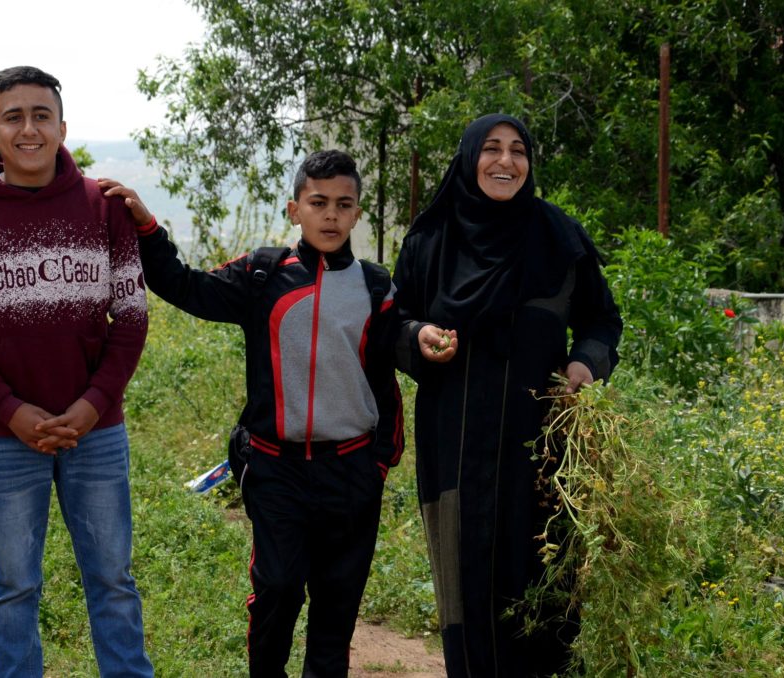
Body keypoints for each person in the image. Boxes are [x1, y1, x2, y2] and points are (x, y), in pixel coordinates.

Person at [101, 149, 404, 677]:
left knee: (336, 609)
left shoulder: (376, 288)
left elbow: (385, 378)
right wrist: (147, 228)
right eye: (318, 203)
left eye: (343, 204)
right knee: (279, 589)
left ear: (358, 214)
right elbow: (184, 285)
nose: (330, 215)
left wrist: (380, 463)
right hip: (276, 468)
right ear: (294, 210)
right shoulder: (263, 275)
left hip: (352, 471)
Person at [0, 66, 154, 677]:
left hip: (96, 432)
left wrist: (92, 404)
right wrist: (13, 412)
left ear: (62, 128)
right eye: (13, 117)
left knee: (112, 579)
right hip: (5, 439)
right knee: (14, 586)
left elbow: (131, 316)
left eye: (41, 115)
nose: (29, 128)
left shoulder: (102, 208)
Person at [392, 113, 622, 677]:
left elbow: (602, 322)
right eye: (491, 148)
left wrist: (583, 365)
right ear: (470, 158)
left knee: (544, 586)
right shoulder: (430, 240)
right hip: (456, 444)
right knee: (466, 584)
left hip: (543, 449)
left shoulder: (559, 239)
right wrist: (416, 338)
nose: (506, 161)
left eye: (518, 149)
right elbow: (391, 320)